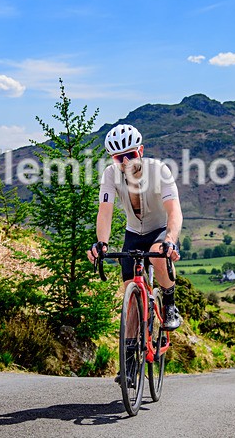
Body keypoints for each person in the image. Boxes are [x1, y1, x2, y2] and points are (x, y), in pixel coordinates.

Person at [87, 124, 183, 331]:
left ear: (140, 150)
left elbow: (174, 210)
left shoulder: (160, 171)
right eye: (119, 158)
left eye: (130, 154)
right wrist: (101, 242)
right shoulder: (110, 175)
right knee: (129, 298)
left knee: (159, 255)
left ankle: (169, 304)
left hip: (160, 230)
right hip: (133, 233)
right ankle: (130, 350)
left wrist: (171, 241)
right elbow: (105, 211)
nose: (126, 162)